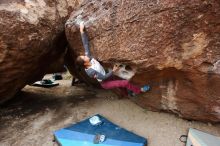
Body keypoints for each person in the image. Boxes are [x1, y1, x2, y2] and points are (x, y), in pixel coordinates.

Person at [76, 22, 150, 96]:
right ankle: (140, 90)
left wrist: (82, 31)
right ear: (85, 63)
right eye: (84, 57)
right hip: (105, 82)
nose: (86, 56)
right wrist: (113, 71)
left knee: (121, 83)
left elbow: (85, 44)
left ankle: (128, 93)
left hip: (107, 74)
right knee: (125, 83)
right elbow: (103, 77)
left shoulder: (89, 58)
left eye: (84, 56)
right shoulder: (91, 72)